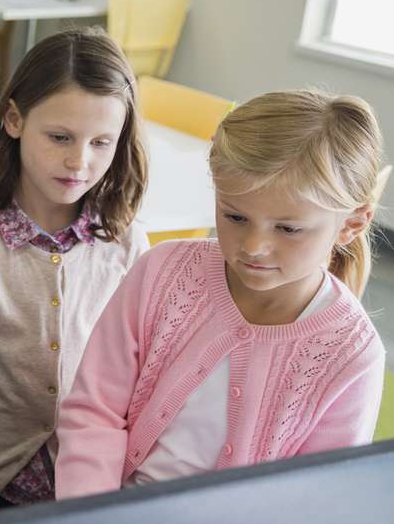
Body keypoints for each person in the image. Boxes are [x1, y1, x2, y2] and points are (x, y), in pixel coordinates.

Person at [56, 89, 385, 498]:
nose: (253, 246)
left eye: (288, 229)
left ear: (352, 224)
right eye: (235, 216)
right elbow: (94, 411)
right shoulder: (162, 272)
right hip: (104, 522)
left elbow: (318, 496)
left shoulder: (351, 353)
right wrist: (93, 521)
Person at [0, 29, 149, 509]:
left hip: (91, 485)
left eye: (101, 143)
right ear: (14, 119)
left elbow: (140, 374)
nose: (79, 160)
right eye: (60, 137)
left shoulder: (128, 243)